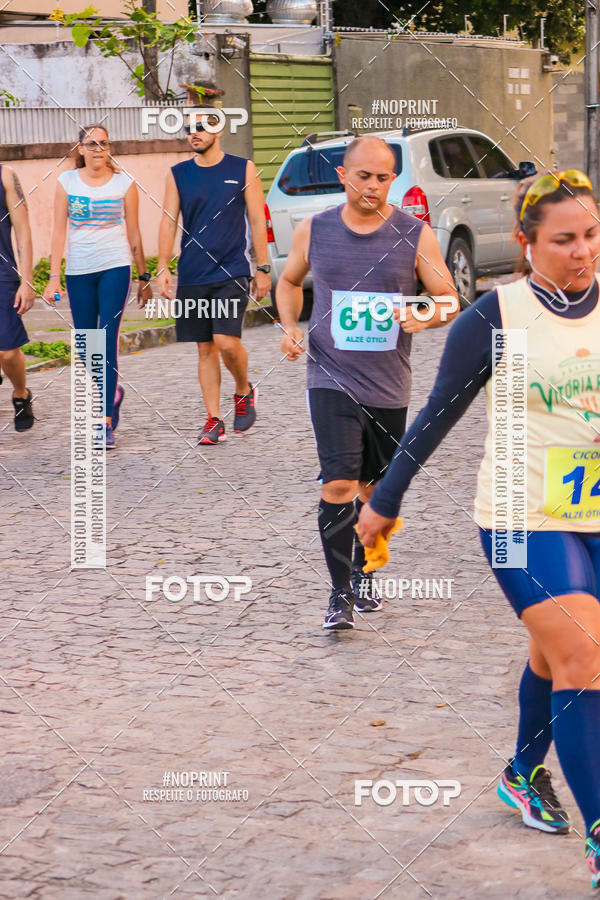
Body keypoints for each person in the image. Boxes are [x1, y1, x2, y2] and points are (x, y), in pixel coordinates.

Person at [357, 169, 600, 887]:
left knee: (554, 652)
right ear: (526, 244)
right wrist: (386, 501)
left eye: (590, 235)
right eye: (562, 240)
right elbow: (435, 415)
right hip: (523, 517)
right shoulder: (498, 317)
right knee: (584, 653)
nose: (581, 251)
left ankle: (524, 771)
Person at [277, 135, 458, 631]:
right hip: (329, 375)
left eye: (383, 177)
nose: (373, 186)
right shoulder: (314, 230)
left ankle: (364, 572)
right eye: (364, 176)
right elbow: (290, 282)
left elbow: (449, 298)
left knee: (373, 489)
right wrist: (290, 326)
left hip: (387, 383)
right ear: (343, 175)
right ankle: (339, 595)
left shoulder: (414, 234)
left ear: (392, 179)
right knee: (338, 481)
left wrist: (425, 312)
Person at [157, 110, 271, 445]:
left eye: (201, 127)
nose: (194, 133)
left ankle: (243, 389)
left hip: (231, 270)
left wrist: (261, 267)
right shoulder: (178, 174)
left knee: (226, 342)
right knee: (205, 348)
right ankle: (213, 419)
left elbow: (256, 220)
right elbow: (167, 222)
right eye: (189, 128)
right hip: (192, 274)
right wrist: (163, 267)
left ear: (217, 130)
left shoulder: (242, 169)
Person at [44, 124, 151, 448]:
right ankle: (113, 391)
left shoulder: (124, 183)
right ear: (80, 148)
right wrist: (52, 276)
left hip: (115, 267)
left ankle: (104, 421)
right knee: (85, 345)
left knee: (106, 341)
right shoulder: (67, 182)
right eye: (90, 144)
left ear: (109, 147)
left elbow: (134, 233)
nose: (97, 149)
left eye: (103, 143)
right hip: (79, 270)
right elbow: (58, 232)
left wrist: (144, 278)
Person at [0, 164, 35, 431]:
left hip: (3, 276)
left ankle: (21, 394)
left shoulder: (6, 176)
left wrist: (27, 280)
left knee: (8, 352)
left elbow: (22, 230)